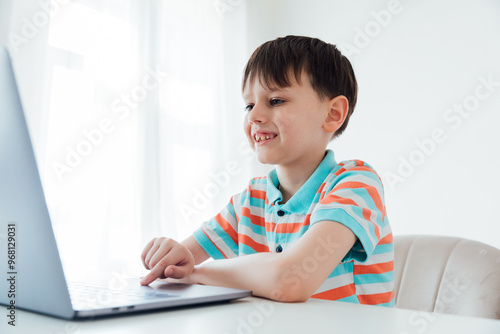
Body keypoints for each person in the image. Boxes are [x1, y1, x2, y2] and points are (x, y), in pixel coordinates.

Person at [140, 35, 394, 306]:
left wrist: (196, 274)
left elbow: (292, 279)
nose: (253, 116)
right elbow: (178, 266)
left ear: (332, 114)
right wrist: (170, 257)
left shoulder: (357, 184)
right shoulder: (250, 200)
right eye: (249, 105)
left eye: (275, 101)